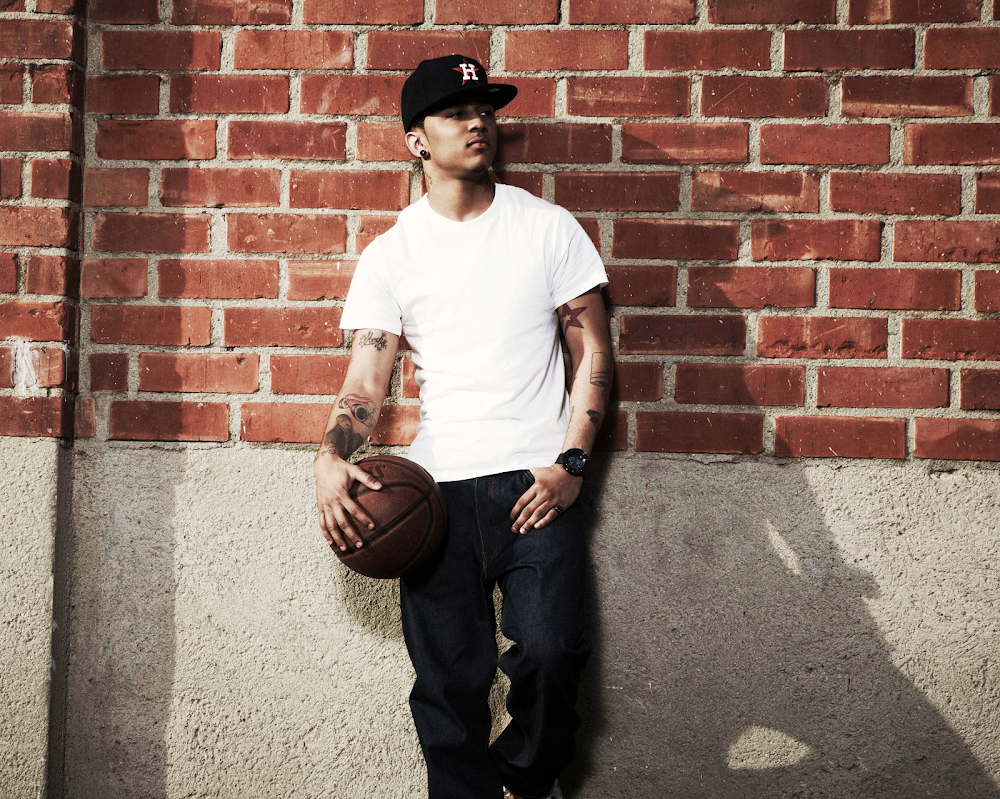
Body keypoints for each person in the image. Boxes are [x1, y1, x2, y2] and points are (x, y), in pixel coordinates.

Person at [313, 54, 614, 799]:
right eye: (456, 113)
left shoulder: (547, 229)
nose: (478, 123)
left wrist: (572, 465)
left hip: (535, 484)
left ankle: (522, 777)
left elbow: (592, 355)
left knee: (552, 652)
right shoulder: (392, 254)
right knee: (448, 683)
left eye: (485, 110)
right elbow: (367, 378)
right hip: (437, 496)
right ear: (417, 140)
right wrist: (331, 454)